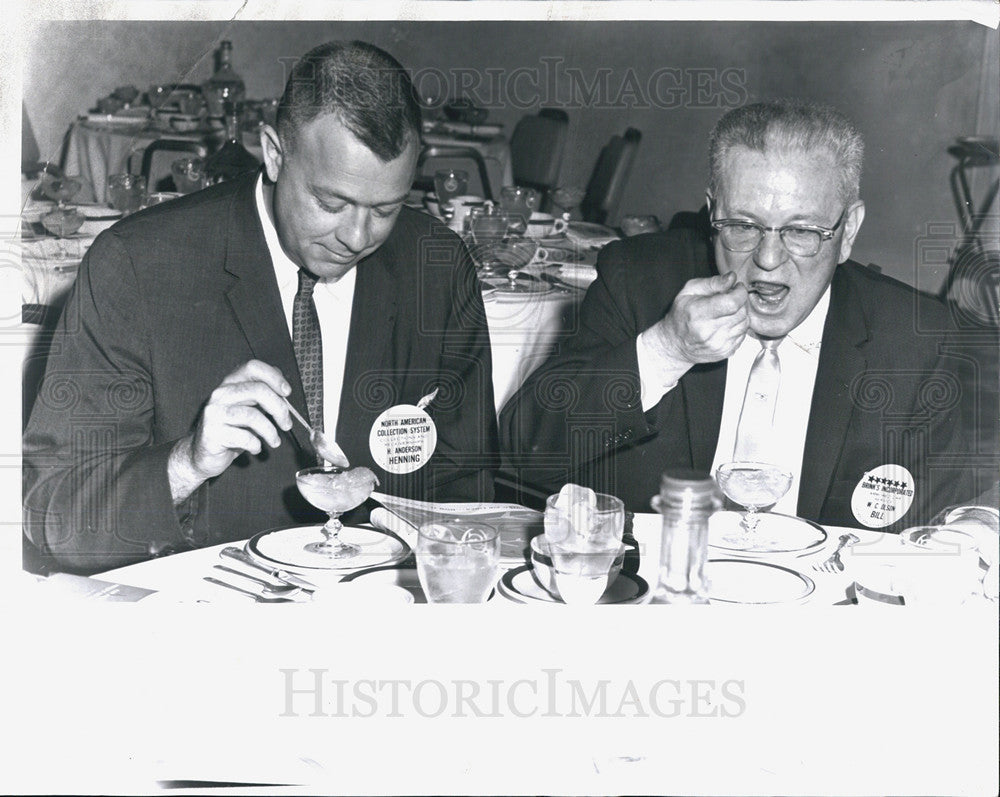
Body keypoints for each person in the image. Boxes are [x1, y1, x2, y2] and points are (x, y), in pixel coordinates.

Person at [24, 41, 499, 574]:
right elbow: (57, 515)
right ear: (274, 154)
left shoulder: (436, 265)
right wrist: (188, 462)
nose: (357, 237)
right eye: (331, 203)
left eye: (385, 209)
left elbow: (469, 493)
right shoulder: (139, 264)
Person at [500, 99, 995, 531]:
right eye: (742, 226)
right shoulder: (639, 282)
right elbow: (524, 455)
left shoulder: (914, 335)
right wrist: (663, 351)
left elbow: (958, 509)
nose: (768, 259)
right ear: (712, 213)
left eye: (801, 231)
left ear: (848, 232)